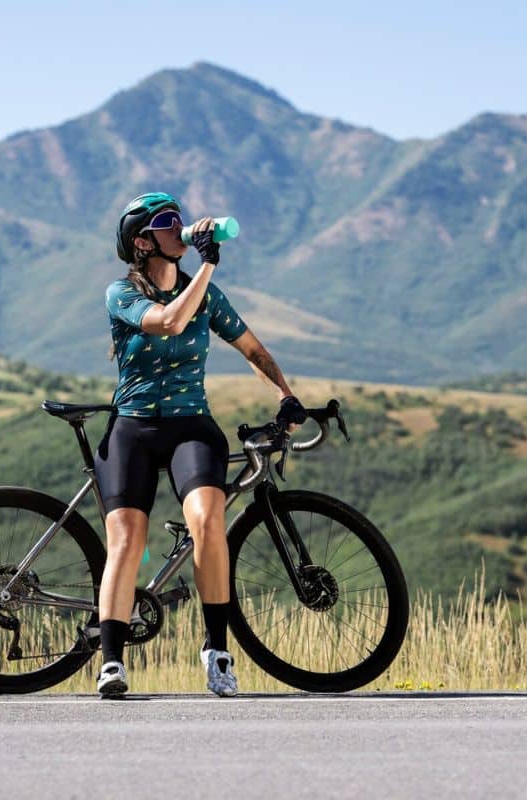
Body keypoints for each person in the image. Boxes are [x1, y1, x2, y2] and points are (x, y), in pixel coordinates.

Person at [95, 192, 307, 698]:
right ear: (142, 242)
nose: (181, 228)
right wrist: (209, 266)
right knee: (127, 540)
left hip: (190, 426)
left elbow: (253, 350)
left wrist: (286, 395)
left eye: (181, 219)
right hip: (133, 427)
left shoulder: (205, 294)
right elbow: (168, 320)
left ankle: (217, 652)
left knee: (209, 523)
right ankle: (111, 661)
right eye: (168, 222)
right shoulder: (121, 293)